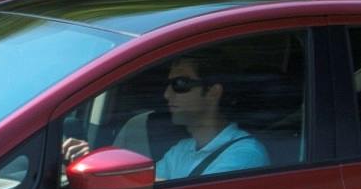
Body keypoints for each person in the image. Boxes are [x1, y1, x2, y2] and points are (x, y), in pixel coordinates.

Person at [64, 54, 268, 181]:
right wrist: (97, 165)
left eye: (180, 84)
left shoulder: (245, 155)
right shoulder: (182, 149)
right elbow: (150, 185)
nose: (167, 94)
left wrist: (106, 171)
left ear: (214, 92)